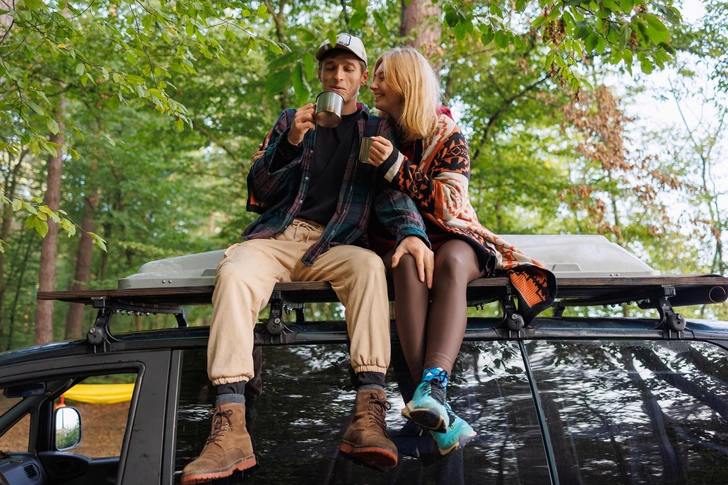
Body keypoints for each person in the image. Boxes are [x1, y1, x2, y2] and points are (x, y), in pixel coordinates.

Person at [181, 35, 434, 484]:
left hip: (336, 244)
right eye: (330, 67)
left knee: (370, 268)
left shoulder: (377, 128)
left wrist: (412, 232)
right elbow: (260, 191)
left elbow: (389, 195)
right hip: (280, 238)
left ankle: (369, 415)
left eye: (349, 68)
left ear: (362, 78)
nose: (338, 76)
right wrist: (290, 142)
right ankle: (230, 429)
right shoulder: (290, 121)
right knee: (235, 273)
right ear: (319, 74)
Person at [365, 47, 557, 455]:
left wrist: (398, 167)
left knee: (450, 261)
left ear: (406, 83)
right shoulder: (374, 132)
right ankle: (436, 411)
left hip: (453, 235)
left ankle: (433, 387)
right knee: (409, 262)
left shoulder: (447, 134)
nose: (372, 85)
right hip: (401, 241)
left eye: (382, 77)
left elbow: (451, 204)